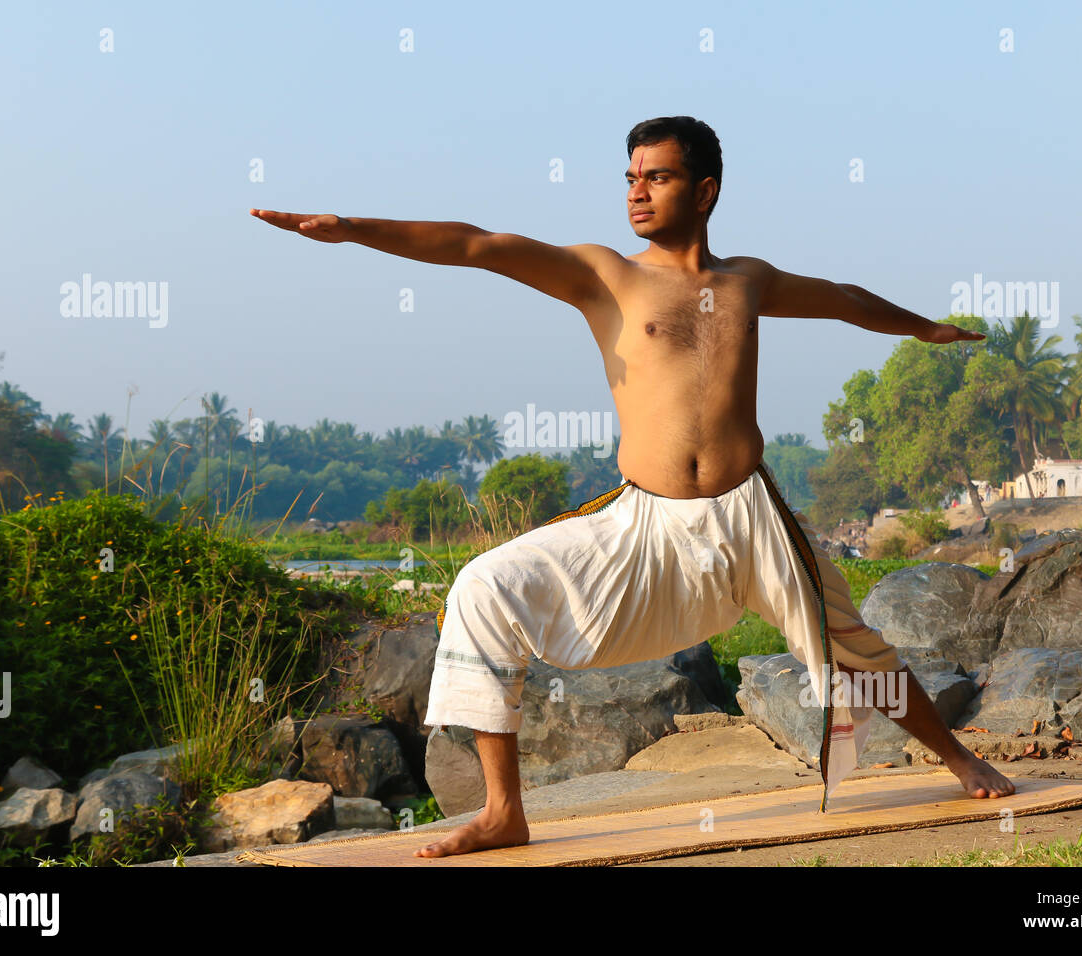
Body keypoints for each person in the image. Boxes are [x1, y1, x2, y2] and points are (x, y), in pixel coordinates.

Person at [250, 115, 1015, 860]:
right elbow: (476, 245)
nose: (636, 192)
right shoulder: (604, 275)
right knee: (485, 586)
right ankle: (503, 812)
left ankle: (957, 759)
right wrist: (352, 226)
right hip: (646, 524)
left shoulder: (747, 282)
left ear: (705, 190)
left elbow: (845, 299)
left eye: (658, 176)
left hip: (752, 514)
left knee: (849, 646)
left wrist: (924, 329)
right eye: (630, 178)